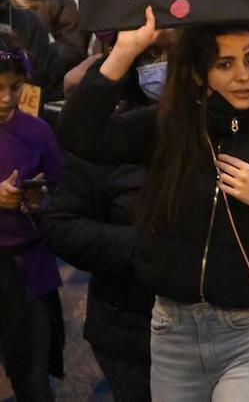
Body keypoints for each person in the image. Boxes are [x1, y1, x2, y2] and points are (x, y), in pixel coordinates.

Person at [57, 12, 249, 400]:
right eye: (225, 64)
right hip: (172, 332)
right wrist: (126, 49)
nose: (244, 75)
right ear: (196, 73)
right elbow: (78, 135)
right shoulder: (168, 129)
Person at [42, 34, 175, 402]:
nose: (162, 64)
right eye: (151, 53)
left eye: (172, 52)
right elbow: (61, 223)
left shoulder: (220, 124)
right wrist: (146, 247)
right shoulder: (103, 130)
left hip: (216, 329)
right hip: (129, 329)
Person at [0, 34, 63, 402]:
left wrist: (42, 200)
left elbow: (64, 195)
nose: (5, 99)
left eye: (14, 88)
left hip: (28, 268)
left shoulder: (37, 132)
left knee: (33, 380)